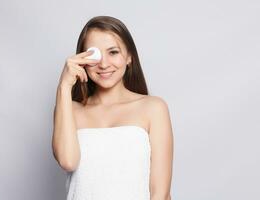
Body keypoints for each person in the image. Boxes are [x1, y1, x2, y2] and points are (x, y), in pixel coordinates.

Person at [52, 15, 174, 200]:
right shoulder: (70, 109)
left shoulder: (153, 109)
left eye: (113, 52)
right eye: (95, 54)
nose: (103, 64)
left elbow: (160, 194)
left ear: (129, 57)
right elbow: (68, 161)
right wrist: (64, 87)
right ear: (82, 59)